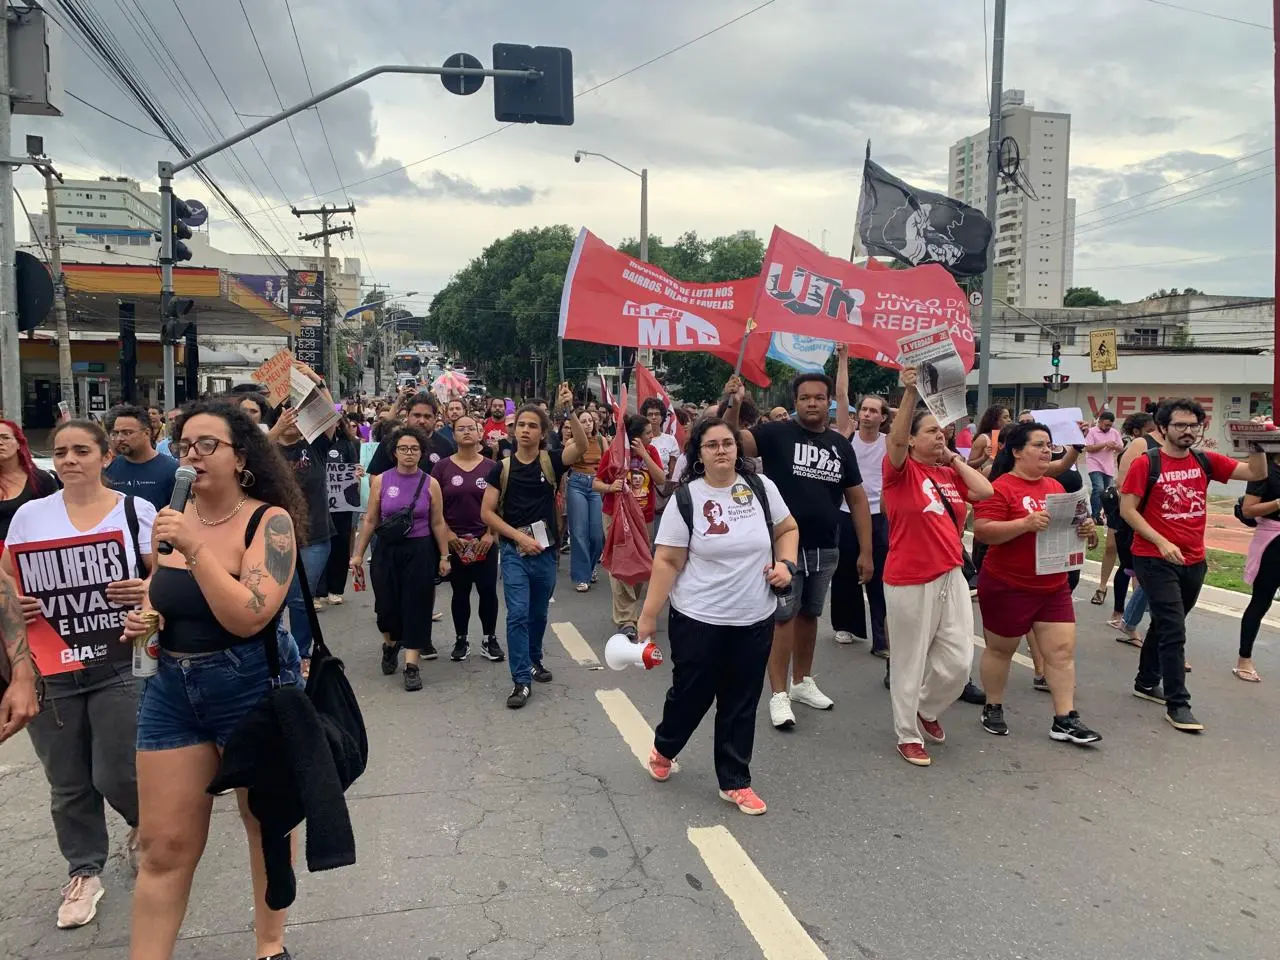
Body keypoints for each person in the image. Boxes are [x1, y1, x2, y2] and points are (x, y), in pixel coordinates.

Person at [122, 399, 307, 960]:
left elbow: (249, 613)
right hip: (172, 690)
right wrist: (145, 620)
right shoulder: (171, 521)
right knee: (163, 846)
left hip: (250, 686)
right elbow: (163, 595)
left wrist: (196, 550)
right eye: (184, 446)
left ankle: (269, 944)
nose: (192, 456)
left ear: (241, 457)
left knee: (265, 827)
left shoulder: (268, 522)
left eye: (208, 445)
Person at [3, 419, 152, 929]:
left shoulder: (136, 511)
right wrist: (17, 610)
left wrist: (145, 594)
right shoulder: (29, 517)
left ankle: (142, 823)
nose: (69, 459)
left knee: (116, 771)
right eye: (60, 451)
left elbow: (165, 577)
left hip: (118, 661)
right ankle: (84, 870)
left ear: (104, 456)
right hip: (52, 668)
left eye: (81, 450)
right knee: (67, 781)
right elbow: (8, 584)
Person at [639, 418, 799, 815]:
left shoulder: (761, 489)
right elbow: (668, 561)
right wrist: (647, 617)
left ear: (737, 449)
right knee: (691, 695)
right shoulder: (686, 498)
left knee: (741, 701)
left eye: (728, 443)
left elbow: (788, 528)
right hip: (699, 618)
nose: (722, 450)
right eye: (712, 445)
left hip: (754, 617)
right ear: (700, 453)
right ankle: (665, 747)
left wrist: (787, 564)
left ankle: (735, 781)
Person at [724, 372, 873, 730]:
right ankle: (778, 694)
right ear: (795, 402)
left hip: (826, 544)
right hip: (783, 547)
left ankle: (802, 681)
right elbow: (731, 441)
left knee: (809, 616)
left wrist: (866, 550)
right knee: (783, 618)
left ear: (828, 403)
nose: (812, 403)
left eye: (819, 398)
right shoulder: (775, 434)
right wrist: (732, 404)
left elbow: (857, 498)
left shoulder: (841, 445)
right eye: (805, 397)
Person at [1119, 398, 1265, 733]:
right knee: (1173, 628)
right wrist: (1161, 541)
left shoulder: (1205, 460)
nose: (1188, 431)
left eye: (1193, 426)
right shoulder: (1147, 463)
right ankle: (1177, 703)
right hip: (1154, 557)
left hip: (1193, 559)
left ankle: (1145, 681)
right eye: (1180, 425)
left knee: (1168, 623)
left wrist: (1258, 442)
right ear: (1163, 428)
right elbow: (1129, 510)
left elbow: (1255, 473)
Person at [883, 368, 993, 766]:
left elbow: (985, 491)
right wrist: (910, 391)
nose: (939, 435)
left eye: (940, 431)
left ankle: (925, 708)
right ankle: (907, 733)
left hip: (950, 574)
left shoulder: (948, 472)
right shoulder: (900, 472)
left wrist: (954, 458)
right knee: (910, 660)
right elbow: (894, 440)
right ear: (912, 439)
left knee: (959, 662)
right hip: (909, 578)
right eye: (930, 431)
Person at [973, 422, 1102, 744]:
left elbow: (1072, 533)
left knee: (1061, 652)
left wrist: (1087, 532)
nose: (1047, 451)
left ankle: (1064, 718)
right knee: (1001, 650)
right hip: (1007, 584)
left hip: (1052, 584)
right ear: (1017, 452)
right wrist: (1024, 523)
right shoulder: (1000, 487)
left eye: (1049, 445)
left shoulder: (1056, 489)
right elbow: (984, 530)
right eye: (1039, 445)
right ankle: (993, 705)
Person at [480, 385, 589, 709]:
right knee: (517, 615)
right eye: (521, 425)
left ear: (542, 433)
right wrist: (517, 537)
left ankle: (535, 659)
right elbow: (486, 512)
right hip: (515, 553)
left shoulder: (551, 462)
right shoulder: (501, 468)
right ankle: (521, 681)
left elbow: (581, 446)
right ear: (513, 432)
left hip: (546, 553)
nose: (525, 430)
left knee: (538, 613)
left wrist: (570, 409)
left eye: (532, 426)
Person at [351, 424, 452, 691]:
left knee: (416, 605)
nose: (408, 453)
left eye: (414, 449)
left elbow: (438, 522)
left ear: (421, 452)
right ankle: (390, 644)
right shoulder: (381, 481)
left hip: (420, 550)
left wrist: (444, 555)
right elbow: (371, 519)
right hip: (386, 550)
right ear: (394, 452)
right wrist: (358, 554)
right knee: (386, 609)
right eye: (403, 448)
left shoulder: (430, 483)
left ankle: (411, 666)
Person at [269, 371, 338, 665]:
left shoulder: (315, 446)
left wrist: (314, 378)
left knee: (301, 598)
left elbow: (331, 416)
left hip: (315, 535)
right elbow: (246, 453)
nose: (294, 419)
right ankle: (271, 650)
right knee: (272, 598)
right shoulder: (266, 450)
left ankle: (301, 653)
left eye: (298, 414)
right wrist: (275, 430)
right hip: (273, 535)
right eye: (288, 414)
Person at [830, 347, 889, 655]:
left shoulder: (890, 444)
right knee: (845, 572)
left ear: (882, 417)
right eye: (863, 409)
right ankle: (846, 625)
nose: (867, 414)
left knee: (879, 576)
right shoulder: (846, 435)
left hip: (879, 515)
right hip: (845, 512)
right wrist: (843, 358)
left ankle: (882, 638)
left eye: (873, 411)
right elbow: (841, 395)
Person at [433, 415, 504, 663]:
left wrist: (490, 534)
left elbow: (500, 506)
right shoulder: (441, 468)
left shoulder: (492, 468)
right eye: (460, 429)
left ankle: (489, 639)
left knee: (487, 591)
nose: (466, 432)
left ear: (479, 433)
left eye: (471, 428)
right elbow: (435, 509)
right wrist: (449, 536)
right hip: (455, 541)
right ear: (453, 435)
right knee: (460, 592)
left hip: (484, 540)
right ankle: (461, 640)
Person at [594, 414, 667, 638]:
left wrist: (644, 454)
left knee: (641, 567)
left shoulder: (651, 451)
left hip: (643, 518)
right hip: (616, 516)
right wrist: (611, 487)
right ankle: (626, 619)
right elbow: (596, 483)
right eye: (647, 433)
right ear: (634, 437)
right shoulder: (614, 454)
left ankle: (630, 609)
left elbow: (661, 479)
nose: (652, 436)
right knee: (622, 565)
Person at [1237, 453, 1280, 683]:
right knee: (1261, 601)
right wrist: (1278, 503)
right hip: (1273, 541)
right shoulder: (1264, 470)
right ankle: (1244, 658)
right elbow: (1248, 510)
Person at [316, 414, 361, 607]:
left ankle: (336, 588)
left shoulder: (347, 444)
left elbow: (354, 467)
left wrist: (357, 473)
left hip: (342, 506)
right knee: (319, 546)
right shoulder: (313, 445)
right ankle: (318, 591)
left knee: (340, 546)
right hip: (319, 504)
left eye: (333, 420)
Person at [104, 404, 178, 511]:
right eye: (115, 433)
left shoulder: (172, 470)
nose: (119, 438)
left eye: (127, 433)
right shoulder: (111, 468)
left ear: (146, 433)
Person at [565, 410, 607, 591]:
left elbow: (608, 464)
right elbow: (566, 461)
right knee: (579, 532)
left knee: (597, 535)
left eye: (590, 420)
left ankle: (590, 568)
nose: (588, 424)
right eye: (583, 421)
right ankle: (582, 576)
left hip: (596, 485)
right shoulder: (572, 442)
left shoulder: (601, 440)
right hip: (577, 483)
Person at [367, 392, 456, 476]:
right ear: (407, 415)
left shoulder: (446, 446)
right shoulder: (390, 441)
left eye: (427, 416)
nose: (422, 421)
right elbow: (375, 477)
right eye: (417, 415)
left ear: (435, 418)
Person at [0, 418, 58, 540]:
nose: (0, 442)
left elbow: (56, 519)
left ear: (18, 444)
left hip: (28, 551)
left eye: (5, 437)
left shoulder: (42, 480)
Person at [1083, 411, 1122, 522]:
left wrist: (1114, 446)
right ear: (1099, 422)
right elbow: (1089, 448)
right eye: (1106, 425)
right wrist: (1105, 444)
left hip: (1108, 466)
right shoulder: (1091, 432)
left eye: (1110, 425)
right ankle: (1094, 515)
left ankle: (1100, 515)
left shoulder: (1114, 432)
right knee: (1099, 488)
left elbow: (1121, 448)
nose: (1108, 427)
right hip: (1094, 464)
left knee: (1105, 492)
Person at [641, 397, 680, 479]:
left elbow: (672, 471)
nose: (654, 417)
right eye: (650, 414)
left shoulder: (671, 439)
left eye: (657, 414)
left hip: (663, 483)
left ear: (662, 417)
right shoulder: (639, 439)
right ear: (645, 417)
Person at [967, 405, 1010, 474]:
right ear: (995, 420)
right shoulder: (983, 439)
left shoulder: (1006, 437)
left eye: (1009, 417)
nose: (1009, 420)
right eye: (1005, 417)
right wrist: (984, 457)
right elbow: (969, 464)